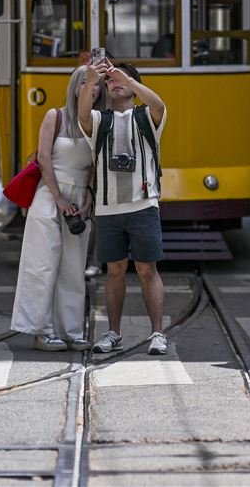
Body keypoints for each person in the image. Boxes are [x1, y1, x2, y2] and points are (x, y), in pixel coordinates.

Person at [12, 66, 106, 351]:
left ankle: (72, 330)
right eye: (86, 83)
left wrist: (88, 196)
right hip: (49, 196)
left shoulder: (98, 122)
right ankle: (42, 330)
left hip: (79, 198)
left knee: (73, 268)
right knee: (43, 264)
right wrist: (58, 198)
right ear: (74, 87)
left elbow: (93, 166)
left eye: (97, 85)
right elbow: (43, 159)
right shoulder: (55, 116)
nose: (93, 89)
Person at [79, 60, 169, 356]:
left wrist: (128, 81)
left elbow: (159, 104)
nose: (114, 83)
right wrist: (92, 80)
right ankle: (113, 333)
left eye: (122, 80)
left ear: (134, 85)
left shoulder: (145, 117)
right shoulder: (100, 120)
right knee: (114, 270)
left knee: (147, 269)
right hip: (108, 208)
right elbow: (82, 114)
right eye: (111, 81)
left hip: (144, 204)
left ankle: (157, 333)